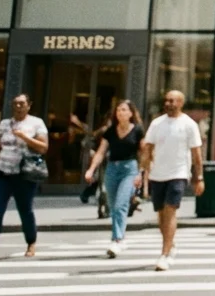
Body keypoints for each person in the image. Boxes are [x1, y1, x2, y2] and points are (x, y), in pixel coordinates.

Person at [0, 95, 48, 262]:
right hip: (2, 172)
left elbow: (44, 147)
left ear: (29, 105)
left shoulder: (37, 123)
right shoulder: (4, 123)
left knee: (25, 210)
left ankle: (31, 242)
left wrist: (25, 137)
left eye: (22, 103)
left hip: (24, 174)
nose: (18, 106)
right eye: (15, 103)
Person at [140, 91, 204, 271]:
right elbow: (147, 149)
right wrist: (142, 173)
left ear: (181, 103)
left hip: (178, 173)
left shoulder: (189, 125)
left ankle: (165, 254)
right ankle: (170, 244)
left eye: (172, 100)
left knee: (170, 211)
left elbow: (196, 154)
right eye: (166, 100)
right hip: (157, 174)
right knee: (161, 215)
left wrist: (199, 178)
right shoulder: (156, 123)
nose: (168, 103)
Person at [84, 100, 145, 257]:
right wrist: (91, 169)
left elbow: (144, 153)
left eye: (124, 110)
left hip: (129, 169)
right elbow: (101, 152)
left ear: (131, 113)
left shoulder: (137, 130)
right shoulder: (111, 131)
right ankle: (120, 238)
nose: (120, 113)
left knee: (120, 205)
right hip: (112, 169)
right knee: (112, 207)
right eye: (118, 110)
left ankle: (117, 240)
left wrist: (141, 173)